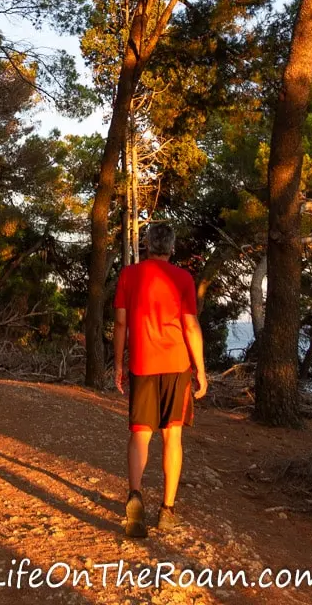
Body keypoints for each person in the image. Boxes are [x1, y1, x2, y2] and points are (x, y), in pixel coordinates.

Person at [113, 221, 207, 538]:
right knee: (172, 437)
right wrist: (201, 370)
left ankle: (135, 496)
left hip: (142, 363)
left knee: (140, 434)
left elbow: (121, 325)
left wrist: (118, 364)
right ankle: (166, 511)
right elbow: (191, 327)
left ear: (147, 245)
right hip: (177, 365)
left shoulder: (129, 275)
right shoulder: (183, 278)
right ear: (172, 247)